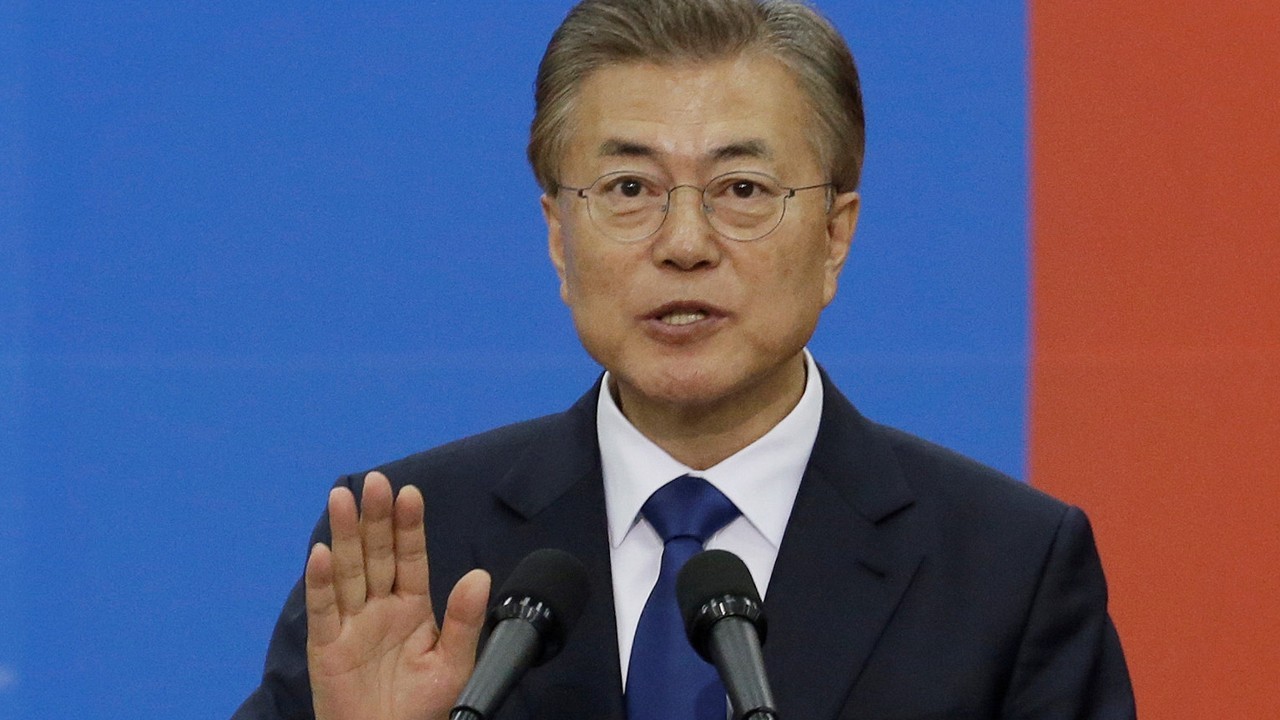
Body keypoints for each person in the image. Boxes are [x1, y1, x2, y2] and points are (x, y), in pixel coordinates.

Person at [233, 1, 1137, 719]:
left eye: (742, 189)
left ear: (835, 236)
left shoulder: (1006, 570)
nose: (685, 244)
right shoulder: (410, 551)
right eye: (629, 188)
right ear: (558, 236)